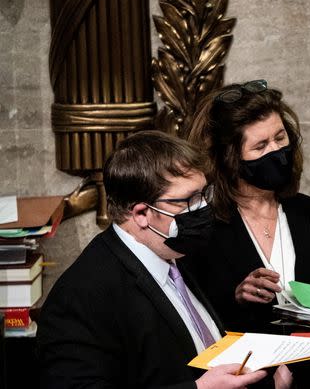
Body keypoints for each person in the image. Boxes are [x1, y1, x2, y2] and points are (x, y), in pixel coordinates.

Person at [37, 131, 268, 389]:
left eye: (204, 194)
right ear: (141, 214)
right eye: (188, 200)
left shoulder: (176, 254)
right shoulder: (81, 296)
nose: (203, 207)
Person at [186, 79, 310, 335]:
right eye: (260, 146)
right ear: (230, 159)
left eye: (280, 137)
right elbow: (194, 321)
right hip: (246, 368)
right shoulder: (204, 225)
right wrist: (237, 297)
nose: (276, 151)